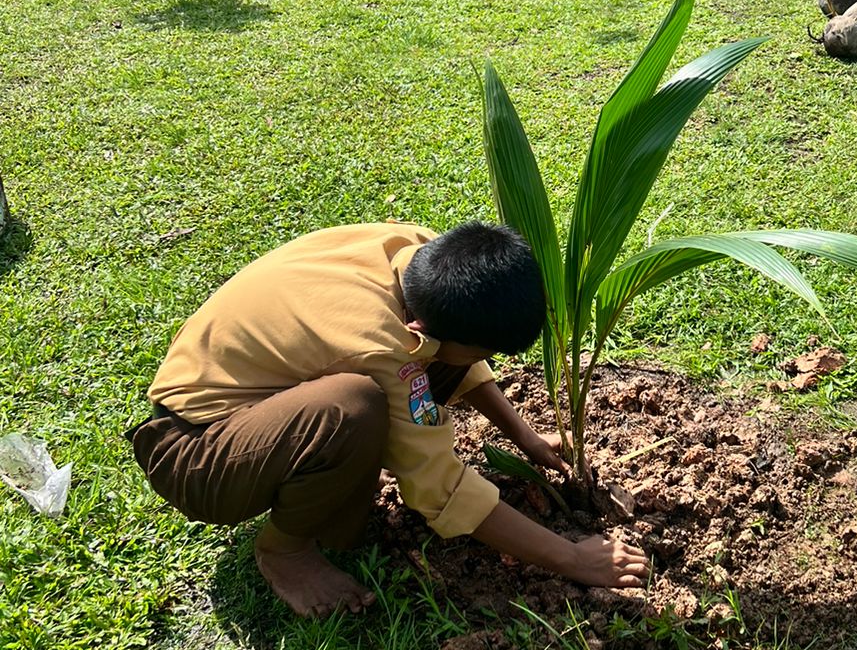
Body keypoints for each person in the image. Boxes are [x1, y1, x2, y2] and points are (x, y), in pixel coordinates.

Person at [129, 221, 649, 619]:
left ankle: (331, 475)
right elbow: (439, 487)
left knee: (411, 378)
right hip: (195, 452)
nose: (481, 358)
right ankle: (284, 551)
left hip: (264, 409)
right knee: (350, 408)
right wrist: (572, 559)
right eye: (481, 350)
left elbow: (457, 354)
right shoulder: (388, 348)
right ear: (420, 329)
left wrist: (524, 435)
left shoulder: (421, 255)